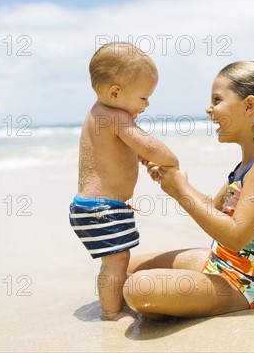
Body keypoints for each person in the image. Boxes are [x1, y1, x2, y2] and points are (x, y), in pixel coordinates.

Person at [123, 60, 254, 319]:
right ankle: (169, 306)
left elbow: (236, 236)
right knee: (119, 267)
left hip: (241, 285)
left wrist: (181, 191)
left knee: (138, 287)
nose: (208, 109)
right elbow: (215, 210)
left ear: (249, 105)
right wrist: (174, 181)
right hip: (216, 262)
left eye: (217, 100)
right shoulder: (247, 164)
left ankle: (168, 305)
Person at [70, 42, 179, 320]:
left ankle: (114, 304)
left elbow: (127, 151)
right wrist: (169, 160)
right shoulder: (117, 117)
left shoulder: (99, 114)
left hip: (93, 206)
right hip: (103, 208)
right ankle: (111, 312)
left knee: (117, 259)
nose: (147, 104)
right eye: (143, 98)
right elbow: (148, 145)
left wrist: (143, 161)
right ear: (115, 93)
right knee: (116, 262)